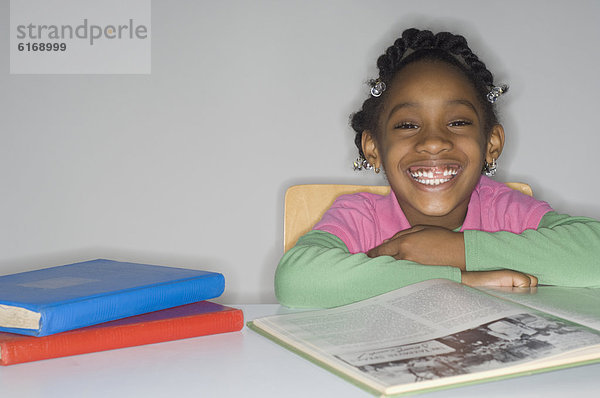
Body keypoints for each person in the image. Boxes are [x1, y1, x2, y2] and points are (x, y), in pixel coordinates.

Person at [274, 28, 600, 308]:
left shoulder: (505, 209)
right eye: (406, 125)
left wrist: (453, 249)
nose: (433, 142)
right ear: (373, 148)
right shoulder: (359, 217)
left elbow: (593, 252)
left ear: (491, 144)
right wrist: (456, 279)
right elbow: (296, 279)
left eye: (457, 122)